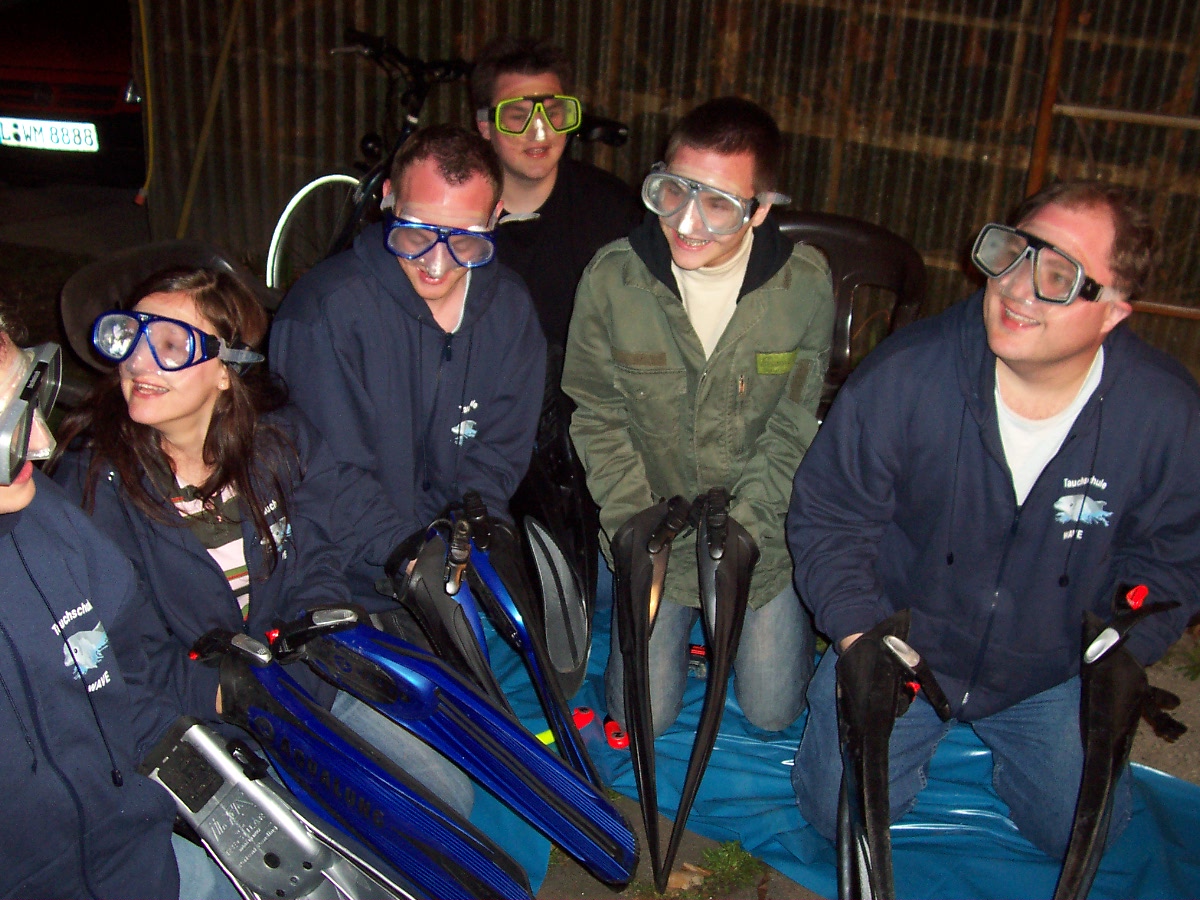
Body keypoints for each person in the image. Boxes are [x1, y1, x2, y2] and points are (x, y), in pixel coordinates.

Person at [787, 180, 1200, 858]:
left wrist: (1123, 653)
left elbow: (1176, 556)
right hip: (903, 647)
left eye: (1059, 276)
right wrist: (859, 638)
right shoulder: (906, 374)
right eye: (1013, 254)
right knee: (836, 814)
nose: (1015, 287)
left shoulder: (1164, 415)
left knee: (1087, 835)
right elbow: (832, 515)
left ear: (1113, 311)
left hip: (1052, 664)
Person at [52, 265, 474, 817]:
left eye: (170, 344)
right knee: (340, 837)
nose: (139, 361)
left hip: (306, 680)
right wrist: (231, 693)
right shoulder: (94, 488)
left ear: (225, 372)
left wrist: (420, 554)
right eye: (130, 338)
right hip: (200, 724)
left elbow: (332, 526)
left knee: (445, 797)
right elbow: (120, 652)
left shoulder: (277, 441)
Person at [562, 97, 835, 736]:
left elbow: (795, 425)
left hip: (756, 532)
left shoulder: (805, 286)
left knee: (773, 711)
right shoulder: (611, 279)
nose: (688, 222)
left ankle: (755, 621)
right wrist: (636, 530)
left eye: (719, 203)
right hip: (652, 524)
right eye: (674, 191)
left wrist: (747, 535)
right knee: (643, 718)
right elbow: (595, 413)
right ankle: (669, 627)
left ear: (761, 209)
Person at [0, 307, 232, 899]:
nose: (42, 442)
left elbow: (127, 688)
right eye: (6, 428)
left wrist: (225, 792)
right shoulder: (95, 483)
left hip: (142, 856)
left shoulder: (50, 520)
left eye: (29, 400)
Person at [270, 124, 546, 599]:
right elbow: (324, 472)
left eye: (465, 240)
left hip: (449, 564)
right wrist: (411, 552)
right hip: (341, 575)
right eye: (416, 232)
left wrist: (471, 538)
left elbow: (498, 454)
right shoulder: (323, 313)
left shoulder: (511, 311)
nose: (436, 263)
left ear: (497, 216)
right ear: (388, 198)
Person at [471, 35, 643, 354]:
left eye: (553, 113)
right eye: (518, 116)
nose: (540, 130)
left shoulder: (613, 210)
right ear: (485, 126)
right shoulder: (458, 216)